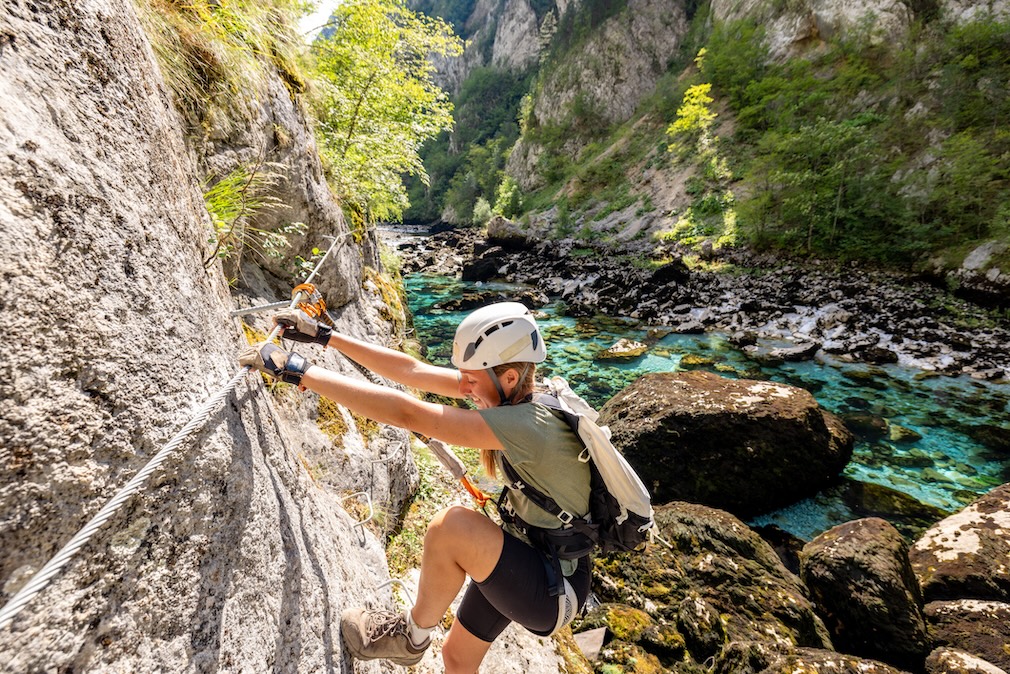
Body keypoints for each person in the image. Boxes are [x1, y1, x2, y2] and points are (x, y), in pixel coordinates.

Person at [239, 302, 592, 673]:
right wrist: (325, 337)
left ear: (507, 377)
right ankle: (414, 640)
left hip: (553, 586)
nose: (465, 388)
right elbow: (413, 370)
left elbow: (408, 413)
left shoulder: (528, 423)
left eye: (471, 380)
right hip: (536, 558)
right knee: (456, 658)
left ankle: (411, 638)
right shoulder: (521, 393)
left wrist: (298, 371)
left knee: (452, 528)